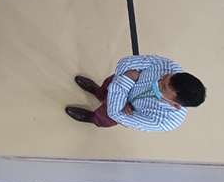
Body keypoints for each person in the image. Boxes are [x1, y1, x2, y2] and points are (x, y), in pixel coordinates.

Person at [66, 55, 206, 132]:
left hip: (122, 87)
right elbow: (126, 62)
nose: (159, 79)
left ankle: (92, 117)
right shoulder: (170, 66)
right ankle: (99, 93)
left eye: (162, 87)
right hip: (119, 86)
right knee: (106, 87)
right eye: (166, 76)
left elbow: (116, 115)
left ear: (175, 105)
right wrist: (120, 97)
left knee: (105, 116)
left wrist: (129, 78)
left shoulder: (165, 121)